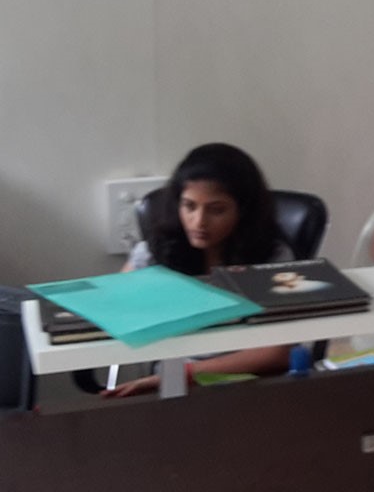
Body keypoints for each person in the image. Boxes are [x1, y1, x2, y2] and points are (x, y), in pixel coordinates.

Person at [103, 143, 294, 397]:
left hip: (248, 381)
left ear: (243, 211)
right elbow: (112, 311)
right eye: (189, 206)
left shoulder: (273, 258)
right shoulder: (155, 252)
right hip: (172, 383)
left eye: (216, 210)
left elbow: (278, 352)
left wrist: (189, 373)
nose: (199, 221)